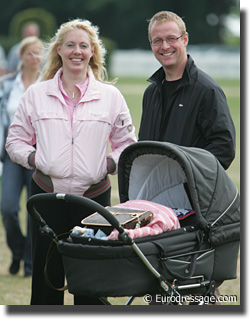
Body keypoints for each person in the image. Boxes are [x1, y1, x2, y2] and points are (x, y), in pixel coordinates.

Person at [6, 19, 137, 305]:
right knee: (46, 280)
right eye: (70, 45)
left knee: (91, 282)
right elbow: (15, 141)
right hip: (47, 195)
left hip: (93, 199)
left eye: (83, 46)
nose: (77, 51)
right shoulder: (36, 95)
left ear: (92, 52)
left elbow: (127, 144)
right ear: (59, 51)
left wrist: (107, 165)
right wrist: (34, 158)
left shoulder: (111, 97)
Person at [138, 11, 235, 170]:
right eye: (157, 41)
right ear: (151, 44)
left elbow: (224, 148)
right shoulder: (151, 93)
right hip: (153, 192)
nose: (165, 46)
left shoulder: (207, 90)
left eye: (171, 38)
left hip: (190, 192)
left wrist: (186, 177)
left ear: (185, 39)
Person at [0, 36, 44, 277]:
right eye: (30, 53)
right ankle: (16, 250)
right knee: (7, 207)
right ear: (21, 56)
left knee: (34, 211)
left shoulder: (49, 84)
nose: (34, 57)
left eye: (39, 53)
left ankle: (29, 263)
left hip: (40, 155)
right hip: (11, 153)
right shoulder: (7, 85)